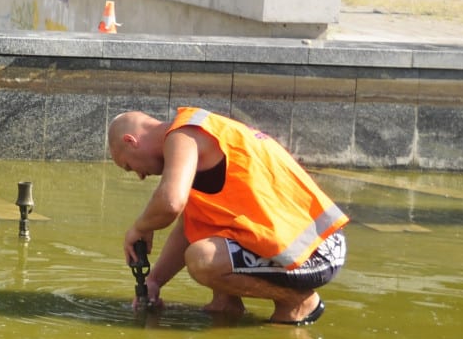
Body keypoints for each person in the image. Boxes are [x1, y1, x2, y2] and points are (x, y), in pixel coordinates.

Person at [108, 108, 348, 325]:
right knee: (204, 229)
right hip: (311, 246)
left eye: (129, 166)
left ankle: (297, 301)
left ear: (131, 141)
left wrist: (140, 228)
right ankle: (225, 306)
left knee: (202, 258)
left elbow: (171, 203)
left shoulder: (183, 134)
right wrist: (154, 282)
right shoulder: (195, 137)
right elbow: (188, 229)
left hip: (317, 250)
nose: (139, 176)